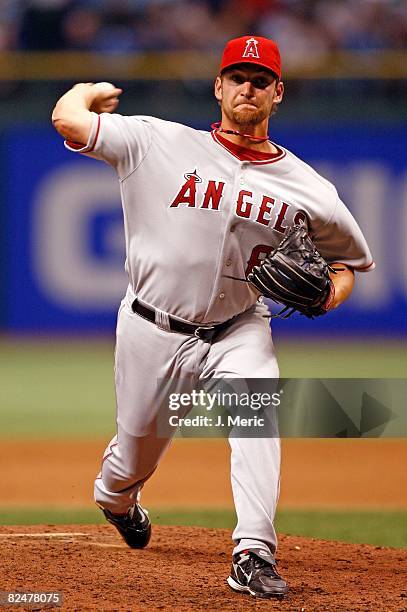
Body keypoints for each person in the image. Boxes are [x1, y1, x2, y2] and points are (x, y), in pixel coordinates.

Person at [51, 35, 374, 599]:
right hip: (152, 327)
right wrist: (90, 90)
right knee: (132, 457)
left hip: (241, 326)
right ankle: (116, 497)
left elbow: (350, 262)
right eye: (238, 77)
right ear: (219, 87)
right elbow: (67, 119)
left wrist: (328, 297)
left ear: (278, 94)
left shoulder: (310, 189)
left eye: (261, 80)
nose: (248, 87)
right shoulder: (157, 142)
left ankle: (254, 551)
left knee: (257, 417)